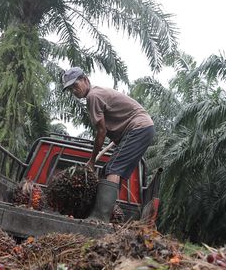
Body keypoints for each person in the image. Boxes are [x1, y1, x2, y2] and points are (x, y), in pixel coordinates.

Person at [61, 67, 155, 222]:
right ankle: (105, 211)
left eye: (75, 85)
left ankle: (99, 217)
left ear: (85, 79)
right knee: (109, 170)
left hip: (139, 128)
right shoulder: (97, 94)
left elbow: (101, 132)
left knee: (113, 169)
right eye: (70, 89)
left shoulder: (93, 96)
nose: (74, 91)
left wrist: (92, 160)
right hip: (141, 129)